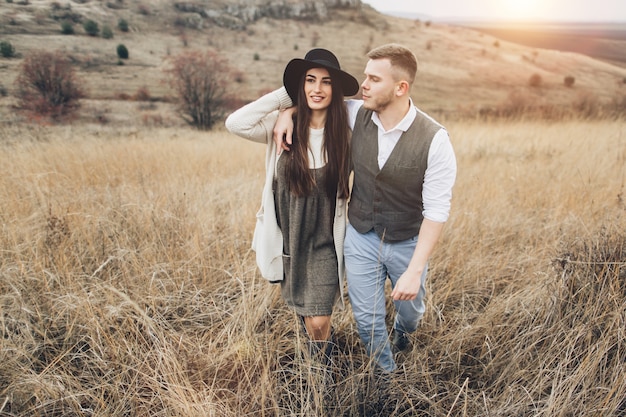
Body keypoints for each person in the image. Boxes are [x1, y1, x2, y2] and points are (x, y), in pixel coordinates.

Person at [273, 44, 457, 372]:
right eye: (364, 76)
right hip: (361, 237)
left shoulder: (435, 140)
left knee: (411, 312)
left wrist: (414, 271)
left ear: (401, 88)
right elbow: (312, 98)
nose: (363, 85)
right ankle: (388, 379)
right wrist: (287, 112)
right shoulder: (355, 113)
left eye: (373, 79)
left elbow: (437, 211)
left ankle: (404, 333)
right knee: (368, 322)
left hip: (407, 241)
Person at [225, 49, 359, 359]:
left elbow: (377, 113)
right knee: (307, 316)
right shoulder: (279, 128)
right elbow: (236, 123)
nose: (317, 89)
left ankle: (320, 376)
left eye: (326, 82)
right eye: (309, 81)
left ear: (335, 89)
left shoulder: (346, 136)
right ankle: (319, 356)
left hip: (326, 242)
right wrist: (288, 106)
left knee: (318, 319)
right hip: (289, 240)